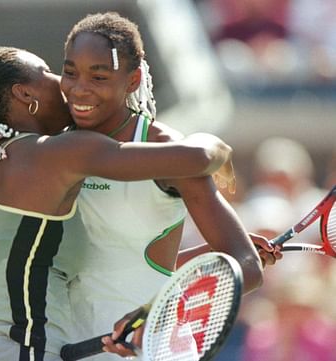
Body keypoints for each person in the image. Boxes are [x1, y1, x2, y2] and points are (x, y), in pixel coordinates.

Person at [0, 46, 241, 361]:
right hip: (21, 350)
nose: (64, 83)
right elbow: (195, 158)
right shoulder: (59, 153)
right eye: (49, 73)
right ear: (26, 94)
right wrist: (216, 146)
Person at [55, 12, 276, 358]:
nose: (79, 88)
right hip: (67, 346)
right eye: (70, 73)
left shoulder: (169, 151)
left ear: (133, 80)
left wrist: (155, 310)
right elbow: (126, 264)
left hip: (154, 349)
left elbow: (247, 265)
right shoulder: (53, 143)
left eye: (98, 75)